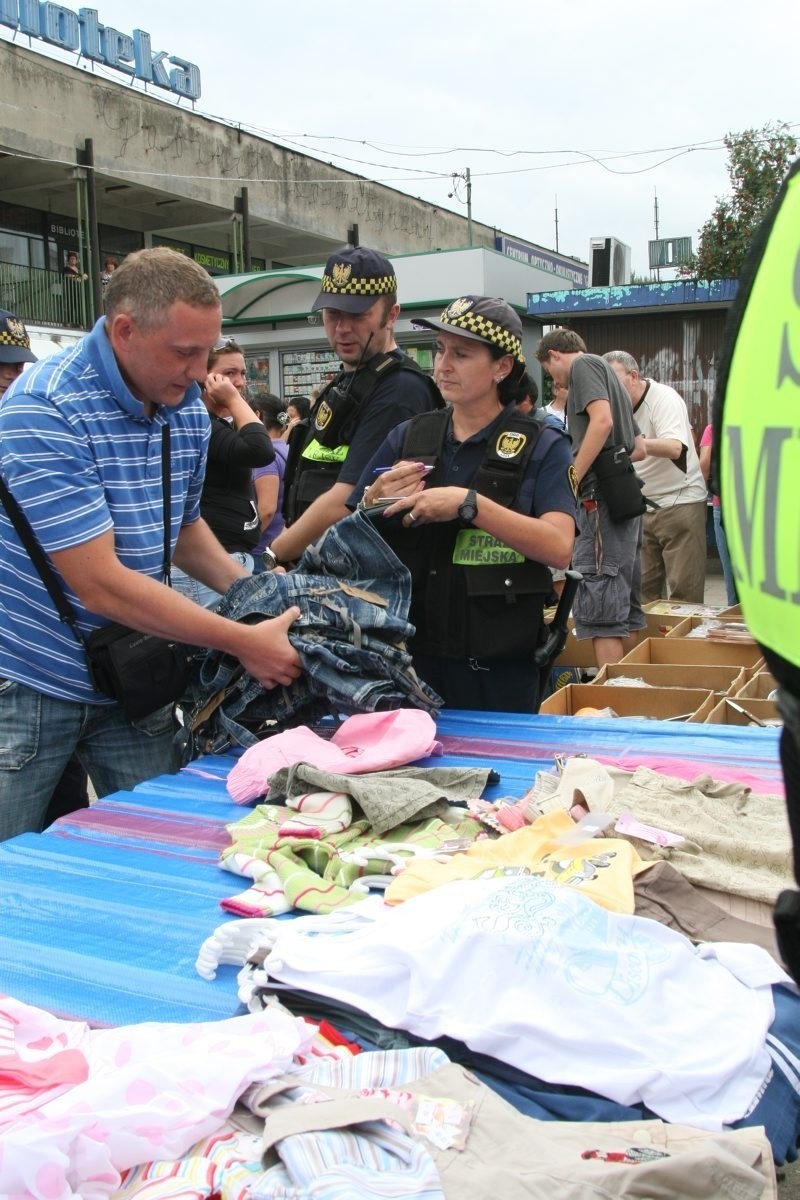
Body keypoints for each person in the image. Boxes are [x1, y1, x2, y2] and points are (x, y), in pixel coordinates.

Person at [0, 246, 301, 842]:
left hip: (130, 676)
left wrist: (259, 595)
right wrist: (242, 640)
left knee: (169, 840)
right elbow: (100, 582)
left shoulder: (183, 404)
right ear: (125, 330)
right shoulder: (44, 409)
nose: (198, 374)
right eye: (184, 352)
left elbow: (185, 531)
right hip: (29, 682)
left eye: (206, 353)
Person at [349, 296, 578, 713]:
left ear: (501, 367)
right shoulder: (408, 436)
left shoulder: (542, 446)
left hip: (498, 671)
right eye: (440, 350)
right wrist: (372, 500)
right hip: (409, 661)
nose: (442, 365)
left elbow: (559, 546)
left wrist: (469, 505)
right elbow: (351, 536)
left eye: (461, 353)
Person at [272, 246, 442, 564]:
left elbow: (345, 501)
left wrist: (273, 554)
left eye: (358, 315)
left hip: (361, 582)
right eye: (333, 314)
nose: (343, 328)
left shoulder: (399, 390)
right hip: (322, 568)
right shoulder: (349, 379)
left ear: (391, 315)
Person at [0, 310, 91, 824]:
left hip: (60, 657)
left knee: (65, 813)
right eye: (1, 367)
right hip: (15, 664)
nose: (11, 377)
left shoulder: (40, 429)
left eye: (17, 365)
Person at [536, 329, 645, 669]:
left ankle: (610, 701)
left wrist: (572, 478)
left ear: (554, 355)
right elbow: (638, 448)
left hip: (598, 501)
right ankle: (628, 694)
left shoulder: (583, 367)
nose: (554, 379)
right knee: (624, 610)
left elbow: (602, 421)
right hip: (623, 496)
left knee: (601, 611)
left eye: (548, 369)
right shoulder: (609, 377)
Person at [171, 336, 274, 608]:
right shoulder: (200, 421)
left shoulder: (216, 422)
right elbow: (260, 449)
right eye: (228, 374)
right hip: (208, 569)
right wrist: (233, 399)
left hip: (230, 560)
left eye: (242, 373)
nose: (238, 382)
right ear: (203, 377)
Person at [605, 350, 708, 604]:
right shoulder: (612, 408)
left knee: (684, 596)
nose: (610, 390)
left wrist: (634, 444)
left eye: (615, 382)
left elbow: (675, 447)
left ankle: (680, 645)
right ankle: (649, 644)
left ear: (634, 376)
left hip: (680, 501)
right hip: (640, 507)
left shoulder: (663, 398)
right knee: (642, 596)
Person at [699, 423, 736, 606]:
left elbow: (704, 466)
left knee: (729, 570)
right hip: (754, 506)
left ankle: (735, 615)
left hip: (722, 504)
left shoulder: (714, 428)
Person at [251, 394, 290, 571]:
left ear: (256, 415)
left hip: (261, 551)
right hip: (280, 543)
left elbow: (266, 510)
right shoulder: (287, 449)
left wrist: (247, 542)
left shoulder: (265, 455)